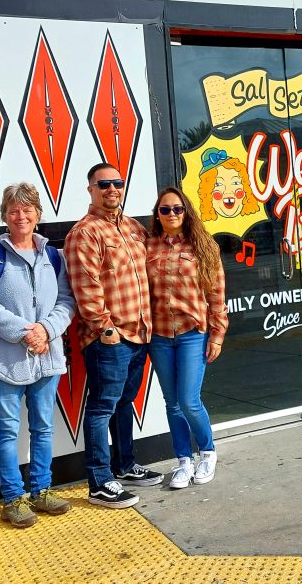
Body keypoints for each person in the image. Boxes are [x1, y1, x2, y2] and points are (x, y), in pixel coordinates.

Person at [0, 183, 76, 527]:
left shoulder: (52, 255)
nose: (21, 216)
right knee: (6, 432)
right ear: (4, 215)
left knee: (43, 428)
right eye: (14, 210)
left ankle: (41, 491)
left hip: (47, 358)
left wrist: (45, 330)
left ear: (38, 214)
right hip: (3, 362)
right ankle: (13, 499)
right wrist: (27, 333)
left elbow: (66, 300)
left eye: (28, 209)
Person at [65, 163, 162, 509]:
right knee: (102, 406)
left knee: (124, 403)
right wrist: (105, 328)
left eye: (117, 183)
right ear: (90, 189)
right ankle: (99, 480)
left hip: (140, 333)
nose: (111, 189)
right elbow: (85, 285)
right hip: (111, 337)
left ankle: (124, 464)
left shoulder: (135, 229)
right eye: (103, 184)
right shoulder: (85, 232)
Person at [146, 187, 229, 487]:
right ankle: (184, 460)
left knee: (188, 399)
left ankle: (207, 451)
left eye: (177, 209)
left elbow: (216, 294)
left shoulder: (203, 246)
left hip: (192, 334)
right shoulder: (149, 247)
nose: (171, 214)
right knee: (172, 402)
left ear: (186, 212)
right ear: (157, 214)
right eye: (165, 209)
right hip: (159, 336)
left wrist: (217, 335)